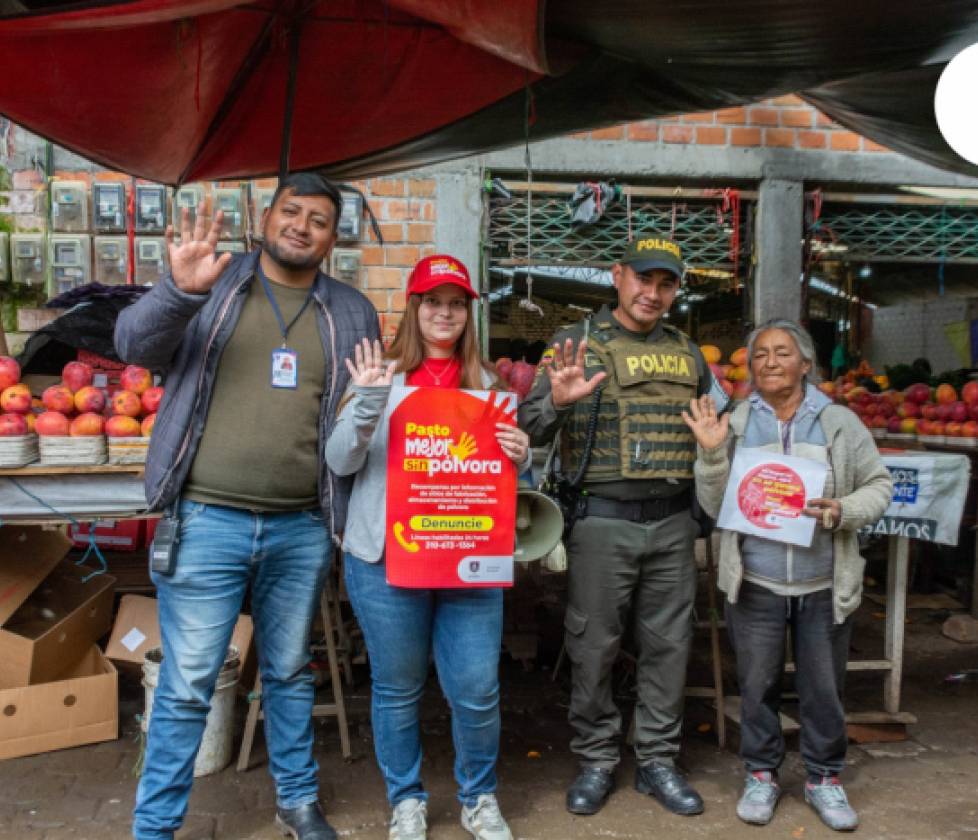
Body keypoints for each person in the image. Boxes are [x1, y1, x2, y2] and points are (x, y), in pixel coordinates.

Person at [115, 172, 379, 840]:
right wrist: (178, 291)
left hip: (303, 526)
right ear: (267, 216)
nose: (302, 226)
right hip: (207, 520)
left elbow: (355, 419)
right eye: (292, 211)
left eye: (319, 219)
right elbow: (132, 348)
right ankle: (155, 828)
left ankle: (296, 802)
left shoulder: (351, 311)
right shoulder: (217, 282)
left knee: (290, 671)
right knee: (188, 682)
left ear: (331, 236)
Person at [518, 235, 727, 818]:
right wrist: (555, 404)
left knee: (669, 647)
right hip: (601, 523)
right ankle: (597, 759)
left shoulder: (691, 355)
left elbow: (720, 422)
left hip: (672, 524)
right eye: (643, 279)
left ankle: (657, 760)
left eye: (666, 283)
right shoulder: (574, 344)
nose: (653, 293)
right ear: (618, 276)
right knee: (594, 648)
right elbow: (528, 428)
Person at [325, 255, 530, 840]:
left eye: (457, 303)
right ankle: (407, 799)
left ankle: (479, 797)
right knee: (397, 687)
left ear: (469, 313)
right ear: (413, 308)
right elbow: (340, 461)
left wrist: (522, 455)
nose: (445, 312)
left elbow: (498, 483)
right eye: (433, 301)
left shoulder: (487, 385)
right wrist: (366, 401)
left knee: (476, 687)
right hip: (387, 560)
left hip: (468, 560)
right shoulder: (378, 374)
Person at [683, 319, 892, 831]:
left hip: (823, 584)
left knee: (824, 688)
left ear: (805, 364)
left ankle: (825, 778)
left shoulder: (839, 423)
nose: (770, 362)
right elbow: (714, 505)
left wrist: (842, 509)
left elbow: (879, 485)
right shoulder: (733, 424)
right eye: (760, 355)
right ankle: (761, 773)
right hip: (756, 581)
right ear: (750, 367)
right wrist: (711, 454)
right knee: (757, 685)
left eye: (782, 353)